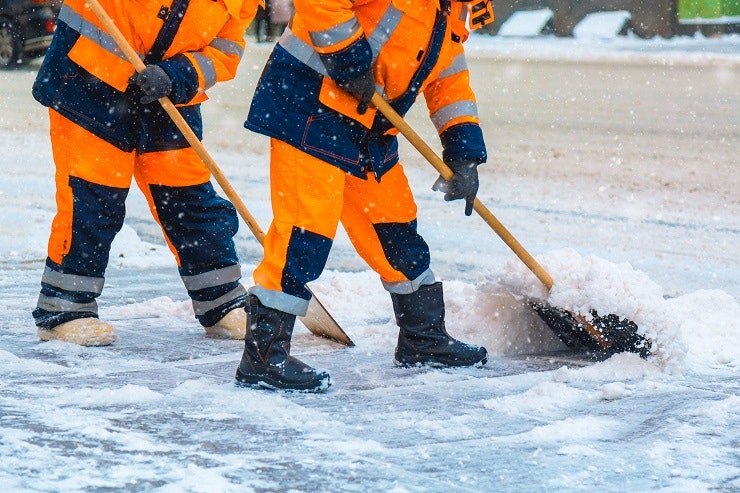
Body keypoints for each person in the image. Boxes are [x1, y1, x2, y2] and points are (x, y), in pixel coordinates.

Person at [236, 0, 495, 391]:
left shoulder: (460, 7)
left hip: (370, 121)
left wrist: (464, 152)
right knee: (306, 230)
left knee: (395, 226)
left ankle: (422, 339)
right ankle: (262, 358)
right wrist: (350, 60)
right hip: (311, 102)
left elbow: (448, 76)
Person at [31, 0, 261, 346]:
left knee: (189, 198)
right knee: (93, 200)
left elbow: (225, 52)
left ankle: (222, 301)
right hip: (89, 81)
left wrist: (177, 74)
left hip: (168, 97)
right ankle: (65, 310)